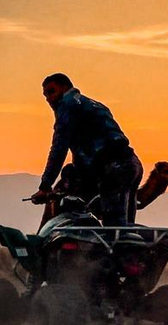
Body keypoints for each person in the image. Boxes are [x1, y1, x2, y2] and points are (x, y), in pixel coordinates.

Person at [30, 73, 143, 226]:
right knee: (125, 230)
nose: (48, 99)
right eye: (45, 95)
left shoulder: (68, 106)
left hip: (114, 169)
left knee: (113, 230)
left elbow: (59, 148)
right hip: (131, 164)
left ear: (65, 87)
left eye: (51, 92)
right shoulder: (96, 105)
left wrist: (45, 186)